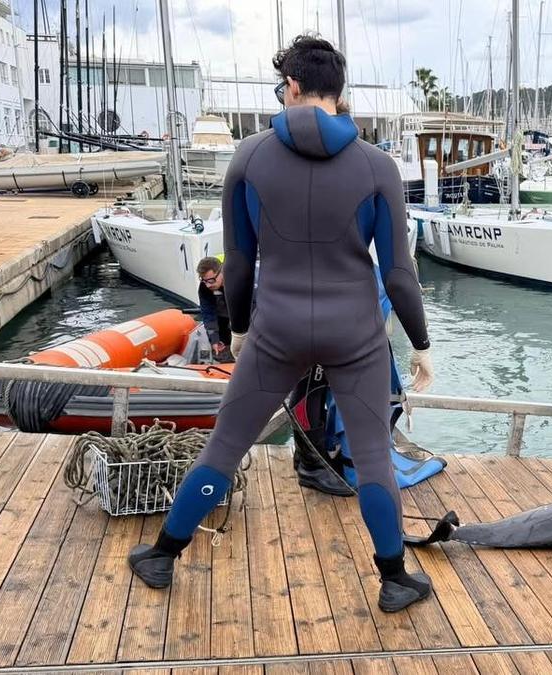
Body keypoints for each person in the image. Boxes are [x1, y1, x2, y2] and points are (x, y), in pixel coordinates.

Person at [128, 34, 436, 613]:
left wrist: (240, 328)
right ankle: (395, 578)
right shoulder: (378, 167)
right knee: (372, 455)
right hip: (356, 331)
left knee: (225, 446)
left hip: (277, 325)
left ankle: (163, 556)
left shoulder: (249, 157)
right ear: (338, 93)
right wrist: (420, 343)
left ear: (290, 86)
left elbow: (238, 262)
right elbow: (397, 274)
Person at [195, 255, 232, 361]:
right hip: (222, 319)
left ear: (221, 272)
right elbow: (208, 313)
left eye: (211, 281)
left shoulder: (237, 281)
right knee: (220, 350)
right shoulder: (205, 287)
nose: (208, 285)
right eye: (204, 281)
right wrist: (214, 339)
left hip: (243, 317)